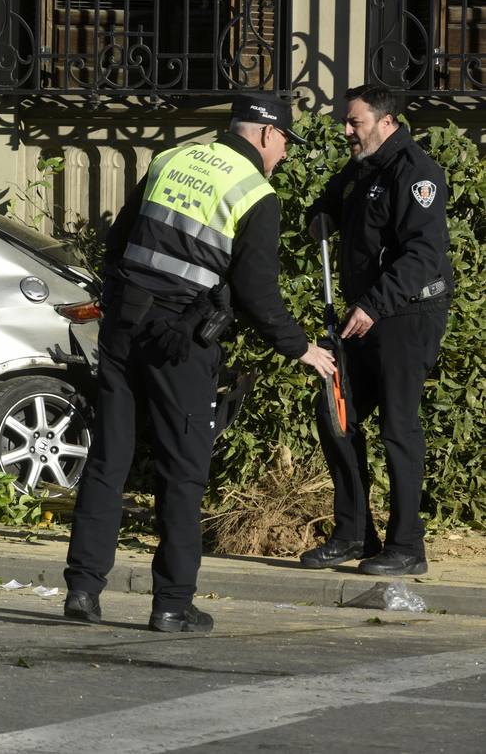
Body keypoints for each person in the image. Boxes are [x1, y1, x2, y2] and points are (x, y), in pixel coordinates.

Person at [62, 93, 337, 633]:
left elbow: (116, 242)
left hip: (124, 326)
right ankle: (172, 604)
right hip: (181, 343)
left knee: (108, 460)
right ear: (264, 134)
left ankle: (82, 590)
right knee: (182, 472)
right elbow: (258, 294)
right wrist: (300, 348)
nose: (282, 153)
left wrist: (127, 303)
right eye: (283, 140)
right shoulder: (256, 192)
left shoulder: (171, 159)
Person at [299, 85, 451, 576]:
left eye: (355, 122)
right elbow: (334, 197)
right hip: (365, 314)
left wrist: (375, 303)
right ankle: (353, 533)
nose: (347, 130)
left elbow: (423, 255)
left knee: (397, 427)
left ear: (386, 123)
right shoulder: (365, 165)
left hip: (407, 315)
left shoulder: (416, 172)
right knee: (336, 413)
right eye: (347, 121)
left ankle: (407, 547)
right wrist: (320, 213)